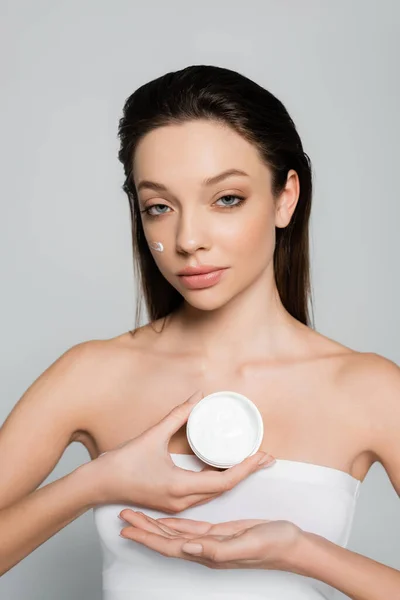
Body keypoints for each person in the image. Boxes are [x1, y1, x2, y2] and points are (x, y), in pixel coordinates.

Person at [1, 65, 399, 599]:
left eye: (226, 199)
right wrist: (95, 483)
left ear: (285, 198)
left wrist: (305, 554)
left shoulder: (370, 389)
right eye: (159, 207)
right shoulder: (91, 374)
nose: (188, 239)